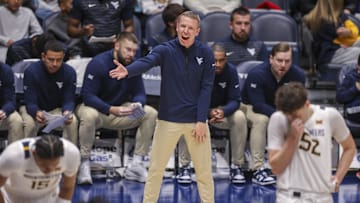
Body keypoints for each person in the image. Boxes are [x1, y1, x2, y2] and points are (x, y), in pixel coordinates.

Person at [109, 11, 215, 203]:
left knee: (204, 173)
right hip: (168, 120)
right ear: (176, 27)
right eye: (183, 26)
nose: (185, 31)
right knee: (156, 170)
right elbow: (146, 62)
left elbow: (206, 88)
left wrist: (201, 120)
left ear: (197, 31)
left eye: (190, 28)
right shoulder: (165, 49)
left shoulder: (206, 53)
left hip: (196, 122)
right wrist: (128, 70)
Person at [76, 31, 158, 185]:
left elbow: (140, 93)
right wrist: (110, 109)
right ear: (117, 46)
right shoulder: (98, 63)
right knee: (88, 115)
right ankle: (84, 163)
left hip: (119, 112)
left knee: (150, 113)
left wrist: (137, 104)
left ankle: (137, 164)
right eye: (128, 50)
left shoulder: (133, 65)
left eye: (134, 51)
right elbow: (88, 96)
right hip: (98, 112)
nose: (131, 54)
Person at [268, 82, 356, 202]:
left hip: (322, 196)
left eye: (295, 115)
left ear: (307, 104)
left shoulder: (329, 116)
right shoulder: (278, 119)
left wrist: (338, 178)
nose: (292, 119)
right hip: (289, 196)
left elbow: (350, 148)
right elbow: (276, 168)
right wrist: (293, 138)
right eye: (288, 115)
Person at [177, 43, 247, 184]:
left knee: (239, 117)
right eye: (214, 60)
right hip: (199, 112)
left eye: (221, 60)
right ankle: (184, 166)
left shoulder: (231, 71)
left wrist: (223, 111)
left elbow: (235, 100)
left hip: (221, 114)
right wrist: (209, 113)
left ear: (226, 60)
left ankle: (237, 166)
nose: (218, 64)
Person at [241, 42, 306, 185]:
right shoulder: (257, 74)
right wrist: (282, 116)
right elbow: (257, 105)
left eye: (287, 61)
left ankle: (297, 166)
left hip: (281, 109)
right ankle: (257, 169)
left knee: (301, 120)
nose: (283, 65)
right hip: (249, 106)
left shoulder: (298, 75)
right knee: (262, 120)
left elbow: (299, 102)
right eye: (279, 60)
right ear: (271, 59)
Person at [19, 40, 78, 144]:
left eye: (59, 60)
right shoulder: (32, 72)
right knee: (29, 124)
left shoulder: (70, 72)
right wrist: (36, 112)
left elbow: (69, 99)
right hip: (35, 108)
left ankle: (70, 153)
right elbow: (30, 101)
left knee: (72, 121)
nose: (55, 64)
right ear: (43, 56)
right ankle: (26, 154)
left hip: (57, 110)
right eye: (51, 59)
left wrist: (67, 112)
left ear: (63, 57)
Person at [0, 134, 80, 203]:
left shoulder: (71, 153)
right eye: (44, 165)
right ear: (34, 153)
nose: (49, 171)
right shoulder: (13, 155)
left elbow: (68, 187)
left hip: (49, 198)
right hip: (13, 198)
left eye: (55, 165)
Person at [67, 0, 135, 57]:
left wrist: (121, 40)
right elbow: (70, 29)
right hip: (88, 50)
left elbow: (129, 26)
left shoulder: (124, 1)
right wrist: (82, 31)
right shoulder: (80, 1)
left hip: (114, 49)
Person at [304, 0, 360, 65]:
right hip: (330, 54)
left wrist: (349, 32)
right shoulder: (322, 21)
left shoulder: (339, 15)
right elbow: (337, 40)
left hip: (340, 46)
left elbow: (353, 32)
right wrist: (347, 35)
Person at [0, 62, 24, 143]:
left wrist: (4, 111)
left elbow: (10, 100)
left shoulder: (5, 70)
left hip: (1, 110)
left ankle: (14, 153)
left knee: (17, 120)